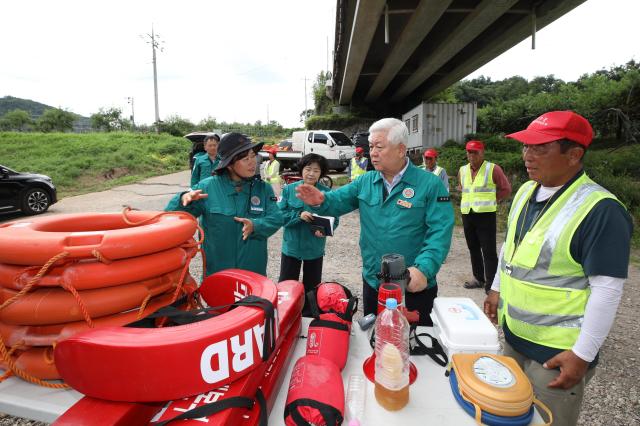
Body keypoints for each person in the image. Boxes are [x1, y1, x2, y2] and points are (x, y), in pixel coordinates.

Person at [483, 111, 633, 426]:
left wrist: (582, 354)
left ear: (574, 155)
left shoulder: (600, 210)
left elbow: (607, 289)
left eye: (540, 148)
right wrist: (496, 289)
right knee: (505, 415)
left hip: (556, 354)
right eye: (526, 146)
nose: (527, 155)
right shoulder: (525, 191)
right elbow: (510, 249)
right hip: (514, 337)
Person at [296, 118, 454, 326]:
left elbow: (440, 231)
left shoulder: (429, 184)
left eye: (379, 147)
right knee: (376, 339)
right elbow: (338, 200)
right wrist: (321, 201)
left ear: (400, 149)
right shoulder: (365, 181)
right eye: (371, 146)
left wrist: (424, 269)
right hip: (374, 281)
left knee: (413, 346)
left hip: (412, 284)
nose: (373, 152)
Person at [165, 133, 282, 276]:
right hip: (218, 274)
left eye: (253, 156)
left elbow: (276, 218)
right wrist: (182, 199)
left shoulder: (263, 189)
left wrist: (256, 225)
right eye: (246, 159)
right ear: (230, 164)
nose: (253, 163)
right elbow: (170, 218)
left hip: (253, 274)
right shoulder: (207, 188)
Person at [278, 153, 339, 316]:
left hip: (314, 248)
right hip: (291, 247)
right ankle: (285, 314)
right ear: (301, 169)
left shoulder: (326, 193)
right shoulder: (289, 190)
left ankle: (308, 316)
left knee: (312, 287)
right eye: (308, 169)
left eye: (316, 170)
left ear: (321, 173)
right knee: (286, 285)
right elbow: (279, 216)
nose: (311, 173)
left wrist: (325, 230)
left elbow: (335, 219)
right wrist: (298, 216)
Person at [457, 140, 511, 293]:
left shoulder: (493, 169)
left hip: (486, 215)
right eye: (469, 152)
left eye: (475, 152)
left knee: (488, 251)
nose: (472, 155)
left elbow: (506, 189)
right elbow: (463, 188)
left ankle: (491, 285)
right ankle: (479, 279)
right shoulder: (462, 170)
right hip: (468, 214)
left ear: (482, 153)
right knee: (473, 248)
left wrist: (492, 199)